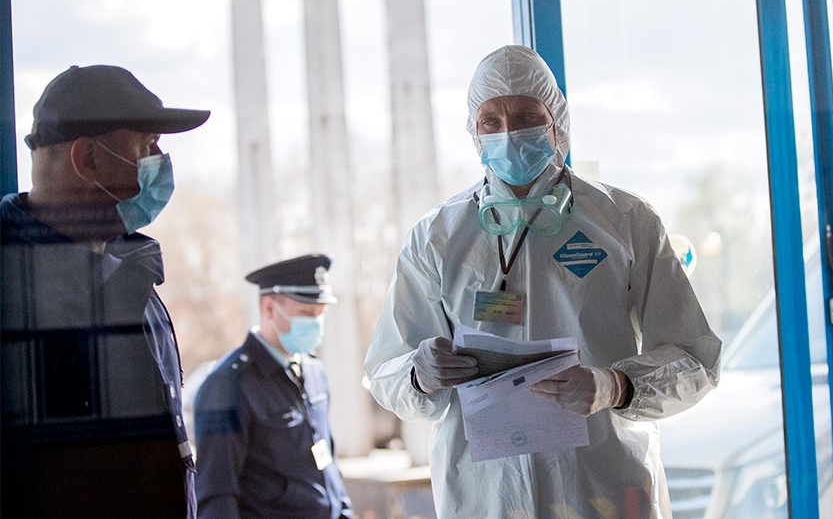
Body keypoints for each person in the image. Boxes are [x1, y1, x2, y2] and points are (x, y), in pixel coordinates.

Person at [364, 45, 722, 518]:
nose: (508, 133)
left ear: (558, 122)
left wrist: (617, 385)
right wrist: (417, 373)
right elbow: (385, 367)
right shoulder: (438, 238)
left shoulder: (626, 222)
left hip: (602, 486)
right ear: (474, 132)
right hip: (485, 494)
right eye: (491, 120)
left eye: (526, 115)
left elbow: (695, 359)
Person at [0, 65, 210, 517]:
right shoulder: (10, 284)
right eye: (145, 146)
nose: (161, 163)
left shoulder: (132, 271)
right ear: (88, 159)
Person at [193, 254, 353, 519]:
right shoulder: (228, 384)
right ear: (269, 308)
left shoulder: (314, 372)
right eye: (305, 313)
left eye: (319, 314)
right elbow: (216, 493)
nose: (315, 323)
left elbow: (328, 466)